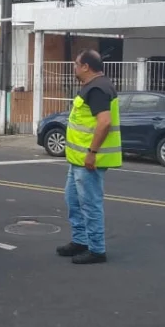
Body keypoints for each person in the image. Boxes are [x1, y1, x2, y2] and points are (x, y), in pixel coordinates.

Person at [56, 50, 122, 264]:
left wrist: (92, 153)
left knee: (90, 204)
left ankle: (96, 249)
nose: (74, 67)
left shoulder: (98, 89)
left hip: (88, 160)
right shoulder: (93, 85)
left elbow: (104, 122)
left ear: (86, 67)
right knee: (73, 200)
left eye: (76, 64)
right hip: (78, 159)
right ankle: (80, 241)